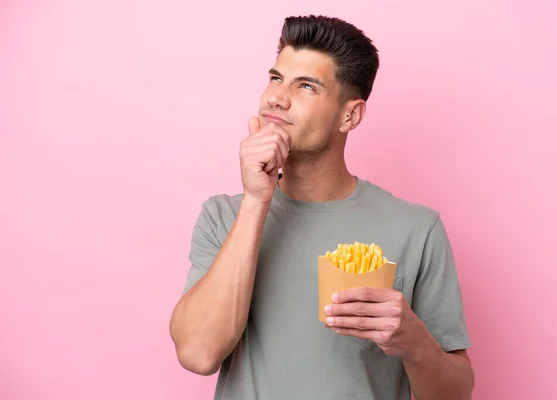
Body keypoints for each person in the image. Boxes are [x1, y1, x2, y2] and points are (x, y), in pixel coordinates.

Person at [169, 15, 474, 400]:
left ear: (350, 115)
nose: (277, 97)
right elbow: (197, 354)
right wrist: (256, 200)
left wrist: (413, 341)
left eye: (307, 86)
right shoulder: (223, 217)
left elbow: (456, 393)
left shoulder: (418, 229)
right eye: (276, 78)